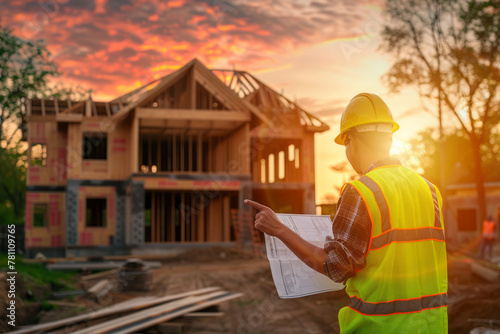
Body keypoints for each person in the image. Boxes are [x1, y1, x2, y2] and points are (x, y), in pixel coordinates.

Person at [245, 93, 448, 333]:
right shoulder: (429, 189)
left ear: (350, 139)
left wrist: (278, 229)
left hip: (380, 329)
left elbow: (336, 267)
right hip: (432, 327)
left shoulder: (362, 191)